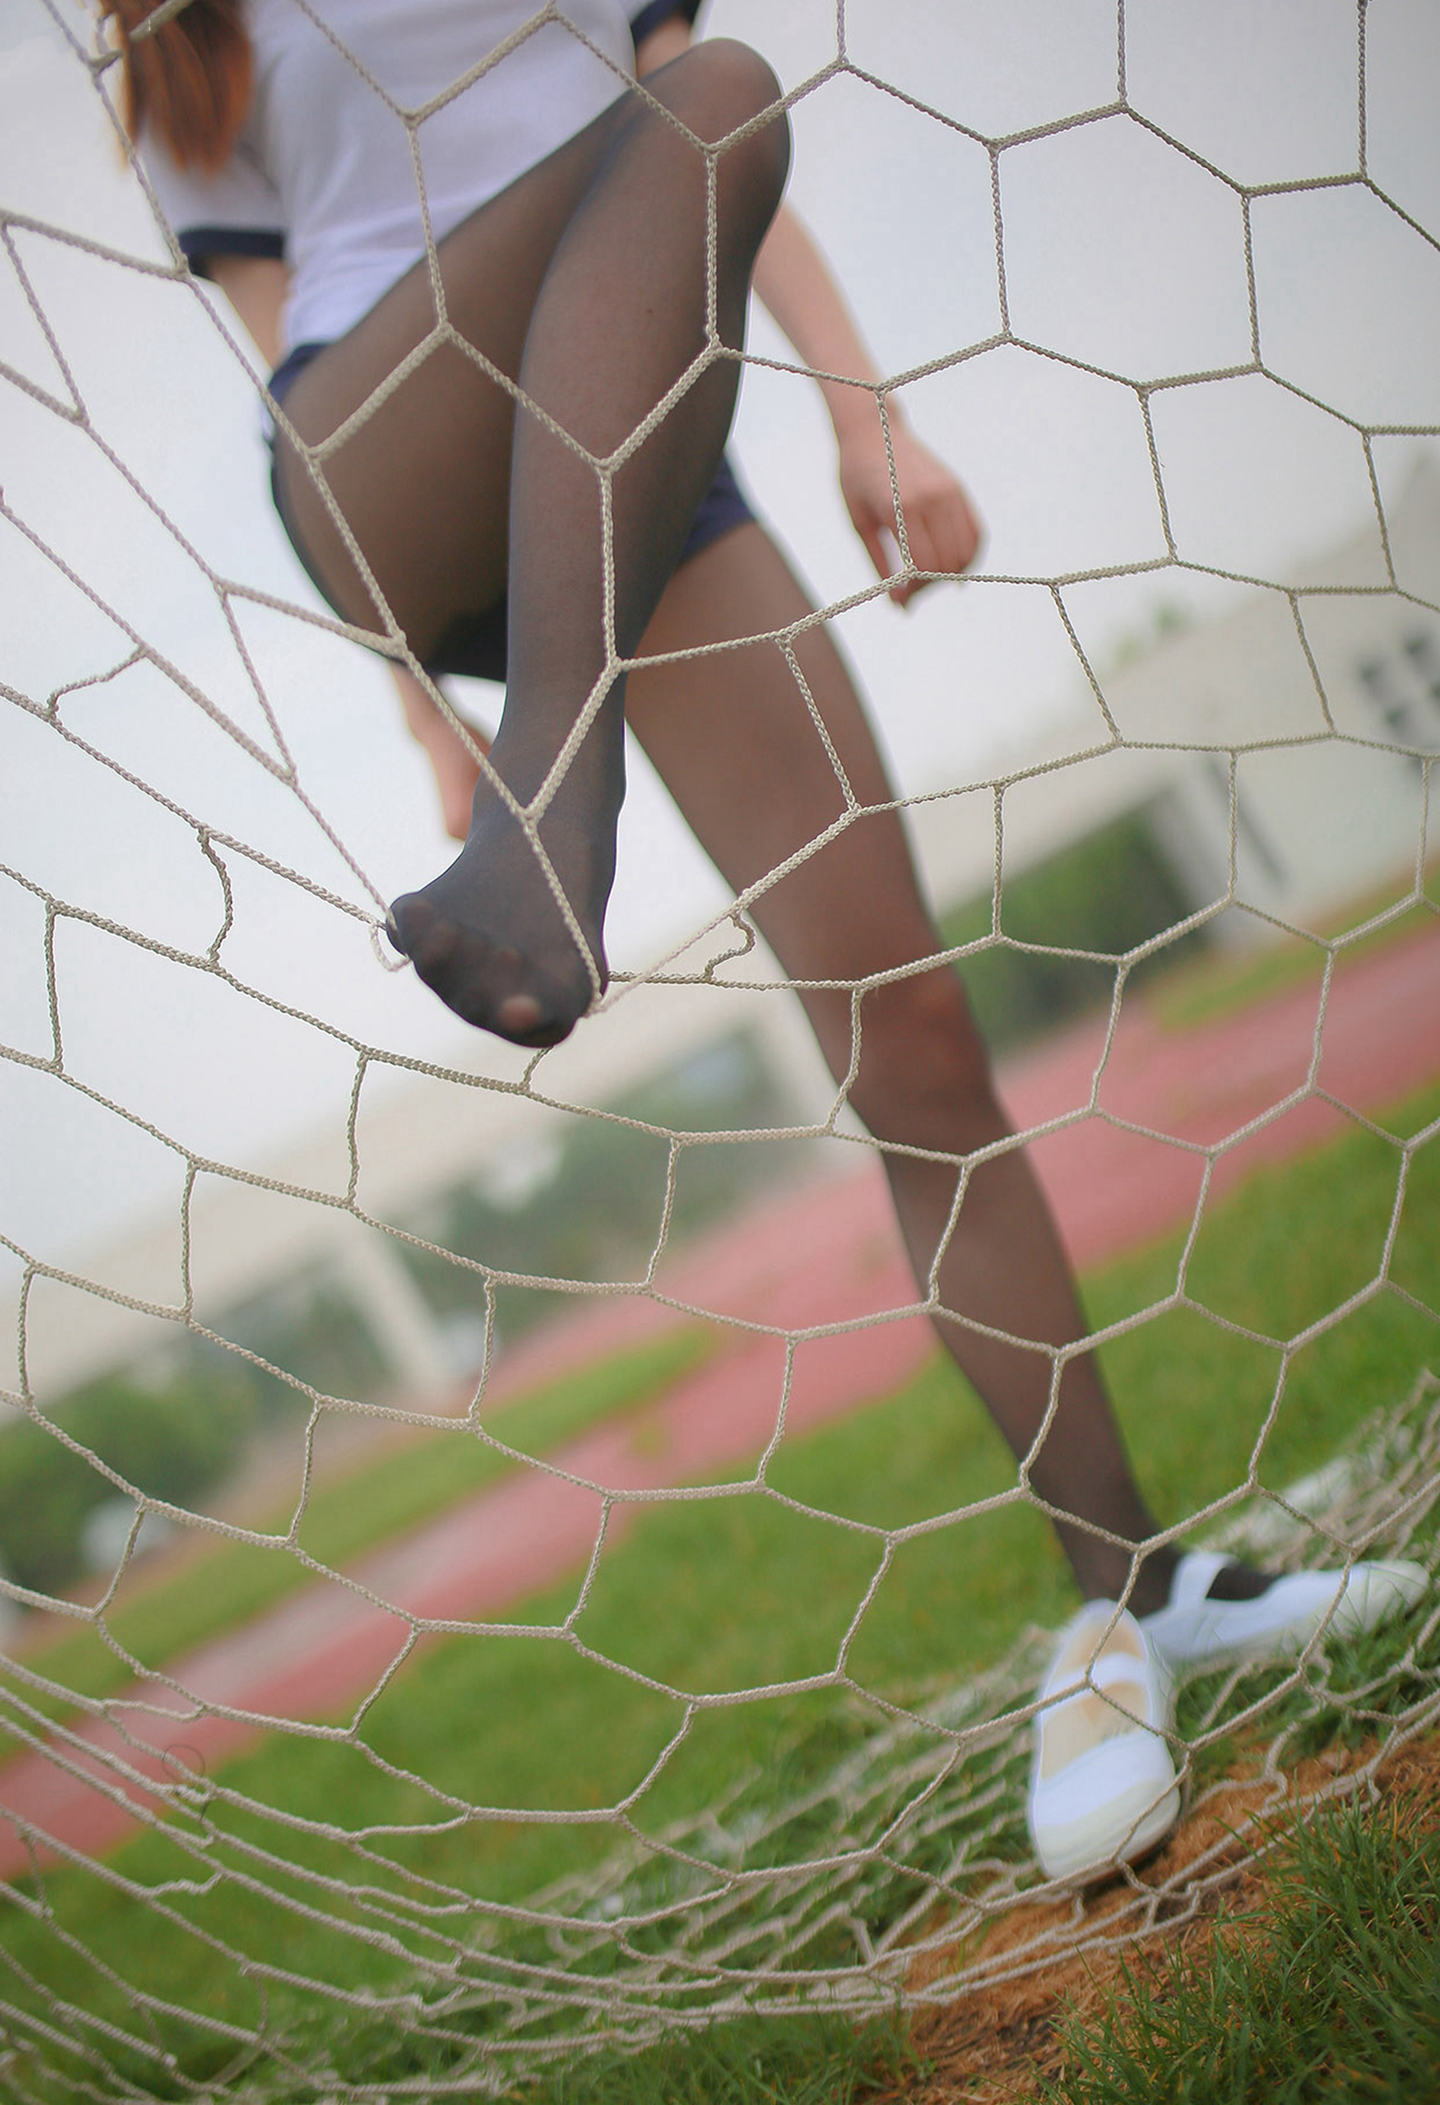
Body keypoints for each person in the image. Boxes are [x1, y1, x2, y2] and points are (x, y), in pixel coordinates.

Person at [111, 0, 1425, 1883]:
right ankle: (548, 800)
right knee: (715, 95)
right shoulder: (184, 25)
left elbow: (690, 149)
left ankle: (1138, 1588)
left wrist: (865, 410)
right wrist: (418, 706)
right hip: (391, 444)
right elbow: (270, 334)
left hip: (653, 449)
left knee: (916, 1040)